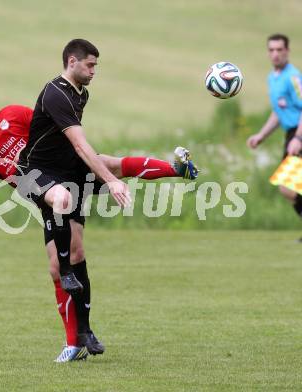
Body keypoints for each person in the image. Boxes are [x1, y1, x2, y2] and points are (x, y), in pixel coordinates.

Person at [0, 83, 198, 361]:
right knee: (59, 266)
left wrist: (78, 152)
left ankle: (177, 169)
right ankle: (77, 340)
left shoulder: (14, 114)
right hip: (46, 194)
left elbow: (53, 126)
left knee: (111, 164)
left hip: (65, 169)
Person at [16, 39, 199, 359]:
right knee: (61, 239)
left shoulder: (80, 93)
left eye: (95, 65)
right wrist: (111, 182)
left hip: (67, 171)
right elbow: (79, 144)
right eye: (90, 64)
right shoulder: (56, 92)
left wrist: (108, 174)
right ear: (72, 61)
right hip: (37, 174)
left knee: (79, 247)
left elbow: (79, 152)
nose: (93, 70)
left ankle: (176, 169)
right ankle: (71, 317)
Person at [247, 33, 302, 231]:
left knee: (288, 186)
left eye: (279, 49)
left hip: (299, 133)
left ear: (287, 51)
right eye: (271, 50)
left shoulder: (293, 77)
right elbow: (279, 112)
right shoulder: (273, 78)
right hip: (291, 134)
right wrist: (261, 135)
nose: (275, 54)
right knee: (289, 188)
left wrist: (298, 137)